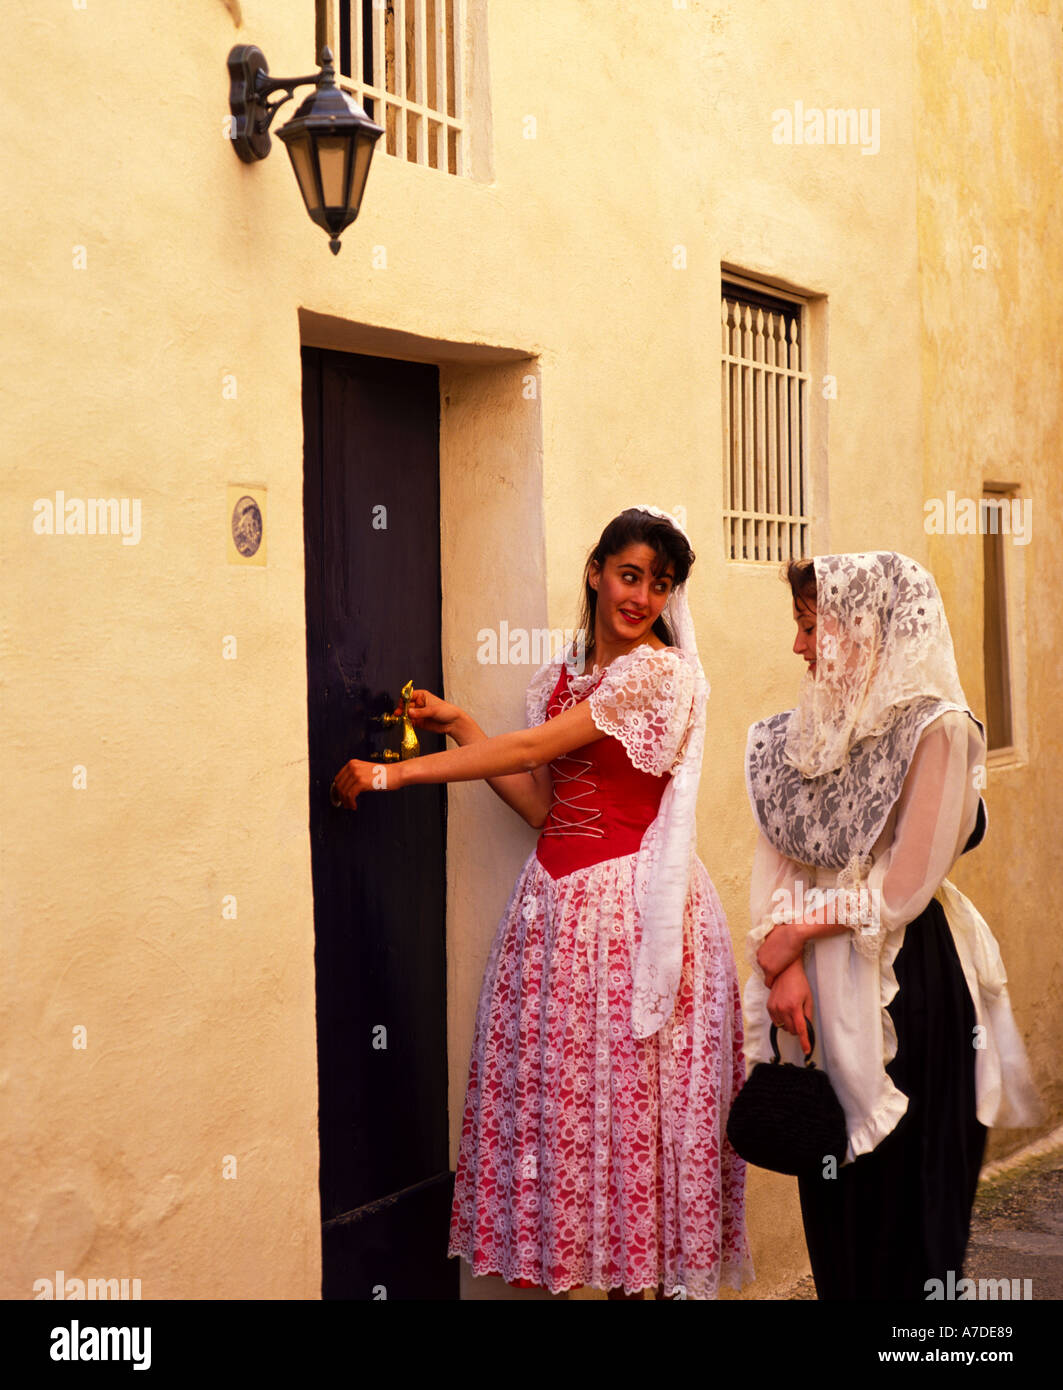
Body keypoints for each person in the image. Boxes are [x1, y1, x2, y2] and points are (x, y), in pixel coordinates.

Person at [332, 506, 751, 1299]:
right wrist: (459, 725)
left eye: (658, 585)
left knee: (632, 1121)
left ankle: (640, 1283)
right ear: (594, 572)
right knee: (559, 1118)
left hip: (630, 913)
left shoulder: (657, 674)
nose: (640, 598)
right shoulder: (556, 678)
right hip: (555, 916)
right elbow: (537, 802)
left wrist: (393, 774)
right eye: (629, 576)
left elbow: (533, 749)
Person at [744, 551, 1039, 1300]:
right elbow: (779, 856)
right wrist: (778, 964)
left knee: (908, 1214)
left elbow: (902, 886)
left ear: (862, 628)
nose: (799, 647)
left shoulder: (934, 731)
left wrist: (798, 935)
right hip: (811, 984)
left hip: (907, 987)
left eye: (811, 628)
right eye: (798, 628)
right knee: (836, 1202)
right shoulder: (801, 734)